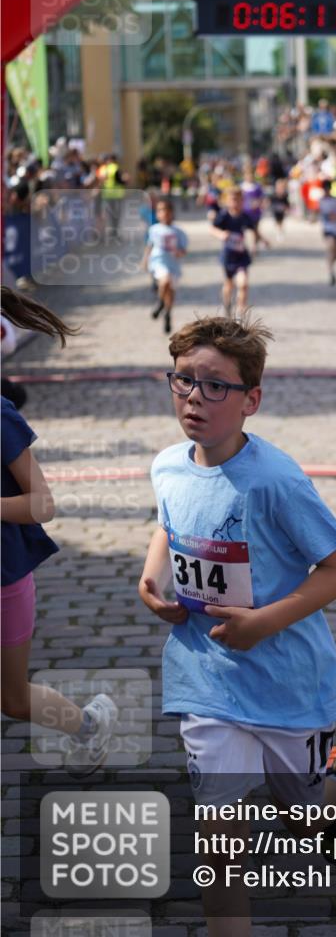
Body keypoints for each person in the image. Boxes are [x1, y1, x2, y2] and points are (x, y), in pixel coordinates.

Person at [138, 314, 336, 934]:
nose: (193, 398)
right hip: (207, 683)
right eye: (182, 381)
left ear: (251, 401)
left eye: (215, 386)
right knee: (220, 845)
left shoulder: (276, 480)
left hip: (290, 687)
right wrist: (151, 580)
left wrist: (262, 623)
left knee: (305, 822)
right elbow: (168, 523)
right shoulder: (168, 465)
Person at [0, 287, 118, 774]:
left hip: (5, 581)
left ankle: (89, 725)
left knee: (12, 699)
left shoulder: (1, 419)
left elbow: (42, 503)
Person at [210, 187, 269, 316]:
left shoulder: (245, 216)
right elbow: (212, 229)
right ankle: (227, 306)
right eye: (232, 200)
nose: (235, 203)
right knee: (229, 285)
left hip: (241, 255)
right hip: (228, 256)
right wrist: (220, 234)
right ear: (227, 201)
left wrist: (263, 240)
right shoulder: (224, 215)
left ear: (242, 201)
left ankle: (240, 313)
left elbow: (254, 230)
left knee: (243, 284)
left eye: (238, 200)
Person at [141, 197, 188, 335]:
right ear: (157, 214)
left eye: (167, 211)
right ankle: (161, 302)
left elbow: (183, 249)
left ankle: (167, 313)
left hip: (173, 264)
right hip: (159, 262)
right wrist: (145, 260)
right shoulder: (154, 229)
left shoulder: (178, 231)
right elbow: (150, 245)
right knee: (164, 281)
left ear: (172, 213)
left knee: (171, 292)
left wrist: (179, 253)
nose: (164, 214)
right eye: (161, 211)